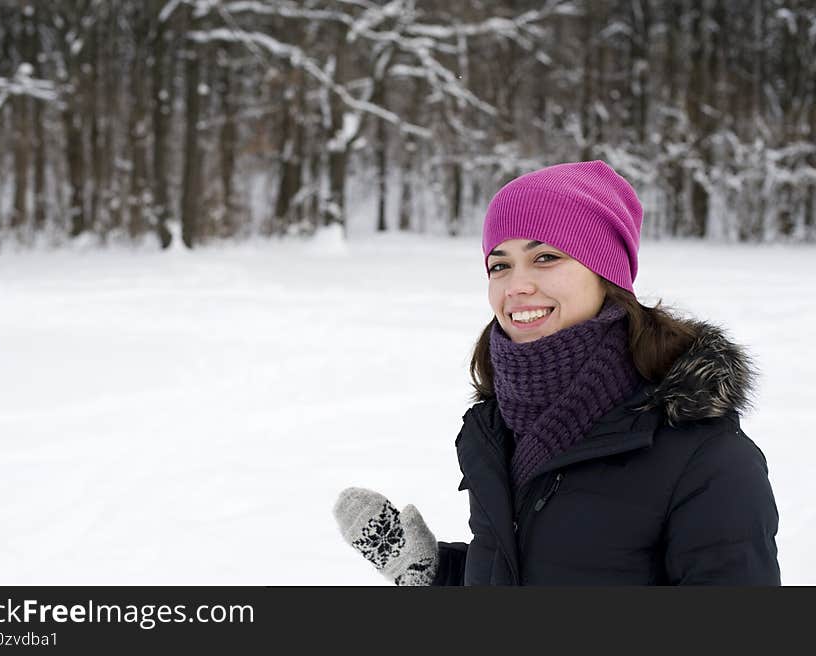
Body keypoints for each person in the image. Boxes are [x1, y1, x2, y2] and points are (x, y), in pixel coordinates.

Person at [333, 160, 780, 585]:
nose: (516, 286)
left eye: (545, 257)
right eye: (500, 265)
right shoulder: (497, 429)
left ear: (606, 274)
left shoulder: (706, 460)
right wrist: (434, 572)